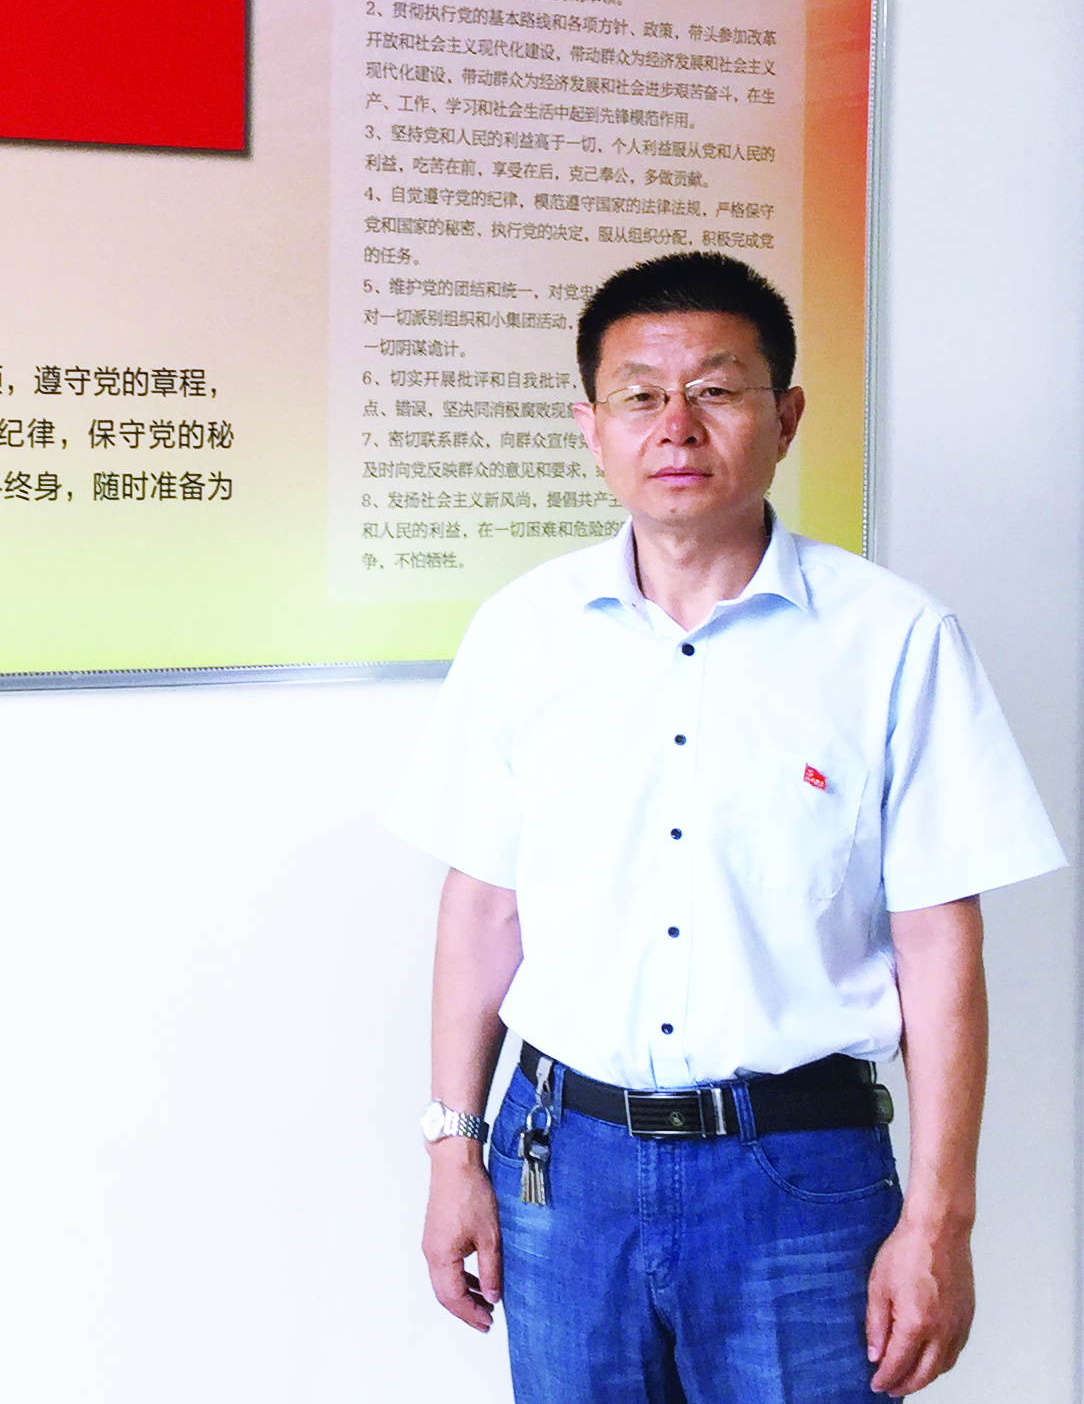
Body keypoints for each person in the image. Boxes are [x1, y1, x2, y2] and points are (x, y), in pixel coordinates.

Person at [387, 251, 1062, 1403]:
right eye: (639, 394)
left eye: (715, 388)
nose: (677, 425)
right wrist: (452, 1143)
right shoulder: (522, 633)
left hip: (798, 1170)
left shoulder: (893, 641)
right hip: (559, 1164)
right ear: (590, 427)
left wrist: (940, 1216)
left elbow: (939, 942)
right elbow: (484, 906)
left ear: (784, 416)